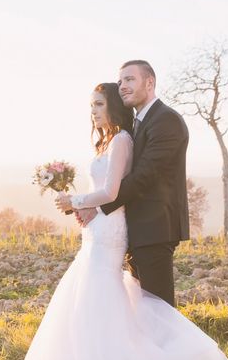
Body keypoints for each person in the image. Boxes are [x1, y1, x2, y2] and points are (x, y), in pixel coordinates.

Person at [20, 81, 228, 360]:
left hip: (110, 229)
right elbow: (107, 191)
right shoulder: (109, 140)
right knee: (90, 292)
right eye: (90, 106)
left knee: (100, 290)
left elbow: (111, 192)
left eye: (98, 105)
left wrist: (76, 200)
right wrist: (84, 208)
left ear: (112, 106)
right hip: (99, 226)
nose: (92, 112)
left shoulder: (123, 139)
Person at [62, 60, 189, 307]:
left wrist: (94, 206)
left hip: (155, 229)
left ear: (149, 82)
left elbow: (143, 177)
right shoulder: (138, 124)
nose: (122, 86)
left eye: (130, 79)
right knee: (142, 311)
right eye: (120, 81)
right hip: (134, 229)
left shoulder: (166, 121)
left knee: (159, 311)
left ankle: (183, 348)